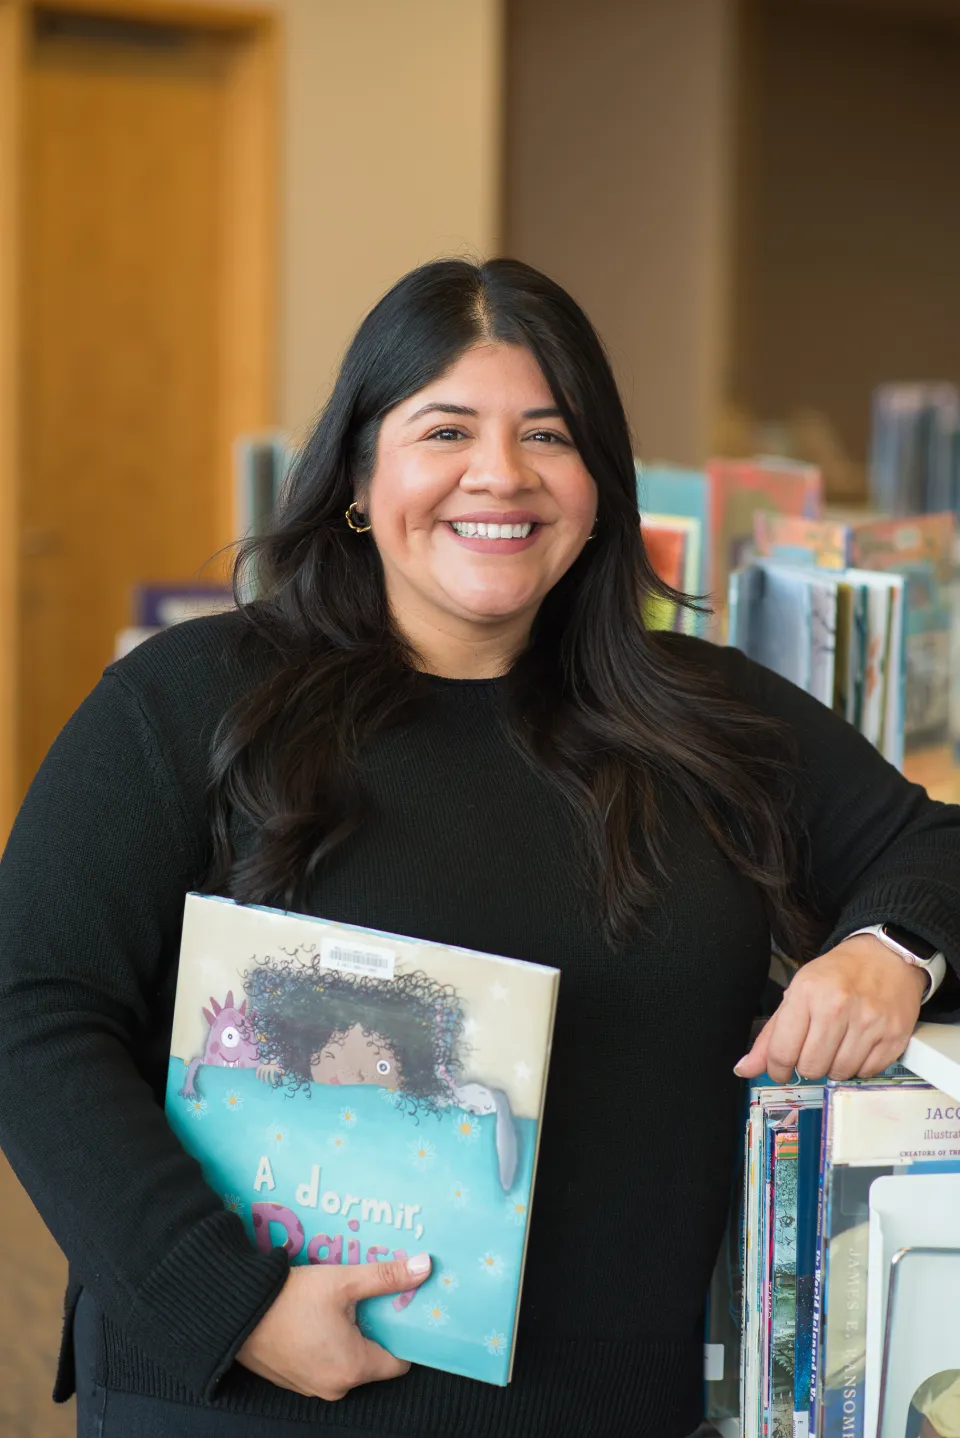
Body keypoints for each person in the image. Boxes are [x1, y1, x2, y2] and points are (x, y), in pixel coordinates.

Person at [0, 257, 958, 1438]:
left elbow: (935, 848)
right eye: (445, 428)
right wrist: (229, 1305)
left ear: (599, 482)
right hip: (249, 1392)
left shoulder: (706, 717)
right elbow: (27, 1006)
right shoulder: (190, 700)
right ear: (361, 472)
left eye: (547, 435)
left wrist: (892, 947)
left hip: (599, 1410)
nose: (500, 474)